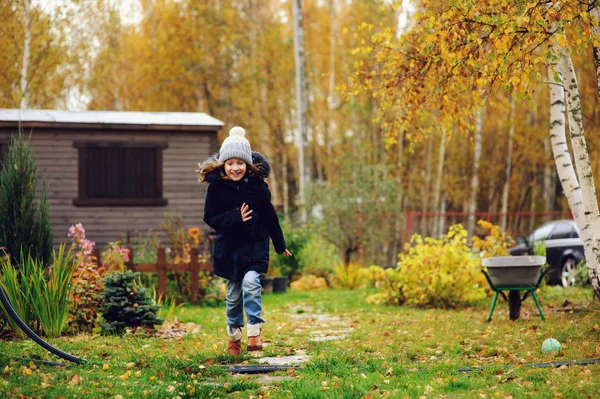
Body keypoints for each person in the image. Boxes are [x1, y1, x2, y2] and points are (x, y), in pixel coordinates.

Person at [197, 126, 292, 356]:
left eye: (240, 163)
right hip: (229, 252)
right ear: (223, 164)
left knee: (251, 283)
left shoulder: (258, 188)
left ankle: (254, 331)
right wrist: (235, 217)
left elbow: (270, 216)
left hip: (254, 248)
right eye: (230, 163)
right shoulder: (216, 189)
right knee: (232, 297)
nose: (235, 168)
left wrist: (280, 245)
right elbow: (210, 217)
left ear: (248, 164)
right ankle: (234, 337)